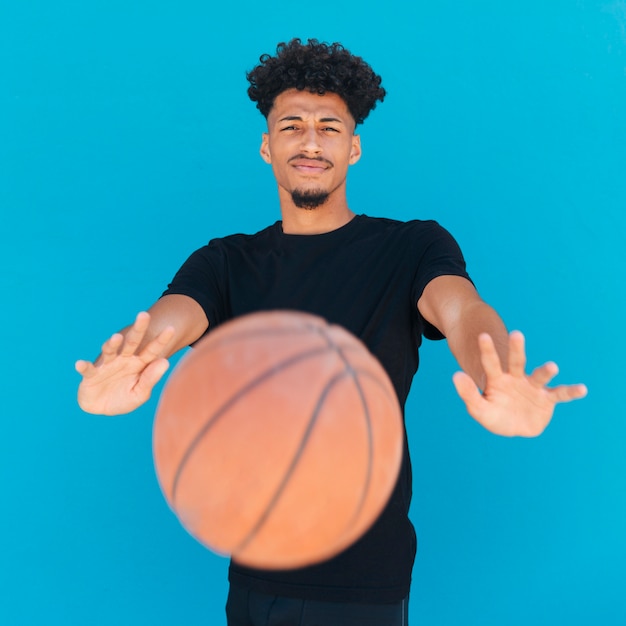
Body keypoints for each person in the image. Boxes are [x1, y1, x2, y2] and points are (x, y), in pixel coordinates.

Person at [75, 38, 587, 626]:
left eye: (329, 127)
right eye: (292, 125)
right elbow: (172, 316)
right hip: (255, 572)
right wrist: (135, 356)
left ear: (354, 147)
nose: (311, 141)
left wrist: (493, 369)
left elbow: (461, 310)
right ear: (268, 146)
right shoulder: (224, 263)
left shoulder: (411, 246)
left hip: (365, 580)